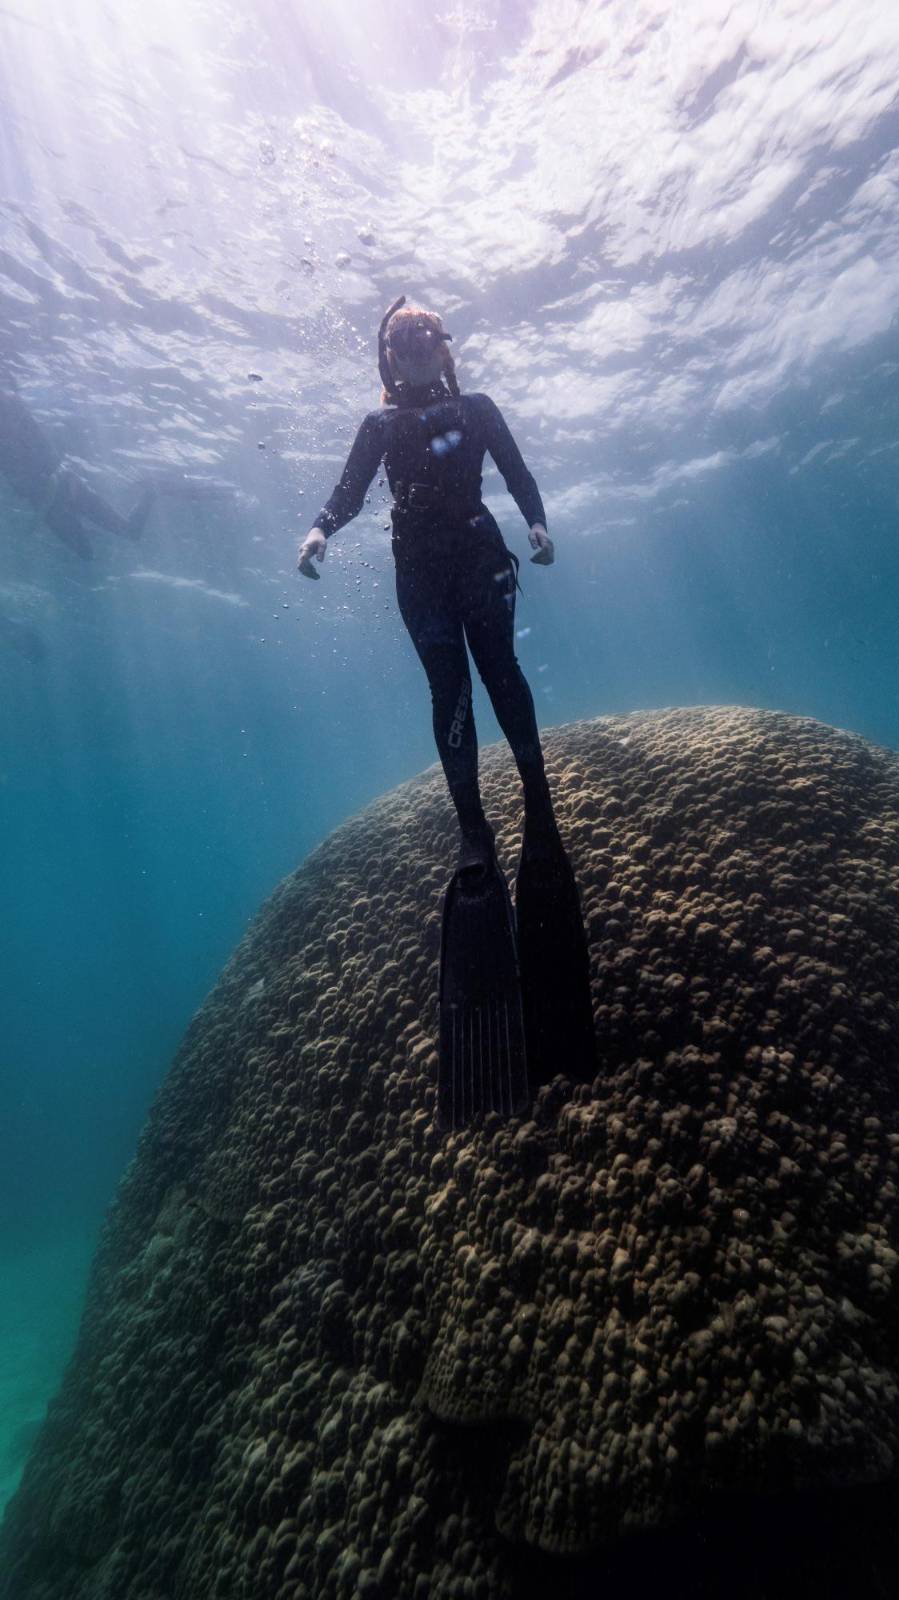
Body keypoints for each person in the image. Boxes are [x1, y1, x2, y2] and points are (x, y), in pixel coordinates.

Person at [299, 296, 595, 1127]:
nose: (416, 346)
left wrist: (536, 524)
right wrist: (319, 532)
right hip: (418, 569)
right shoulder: (377, 425)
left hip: (475, 552)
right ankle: (475, 833)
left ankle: (535, 806)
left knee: (501, 671)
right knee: (449, 692)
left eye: (426, 334)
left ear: (445, 346)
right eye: (401, 339)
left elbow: (518, 472)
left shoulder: (479, 409)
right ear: (387, 356)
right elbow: (349, 492)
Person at [0, 386, 153, 558]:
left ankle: (151, 491)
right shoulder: (12, 416)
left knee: (129, 533)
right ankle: (95, 531)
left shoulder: (12, 410)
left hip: (63, 483)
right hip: (45, 501)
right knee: (87, 553)